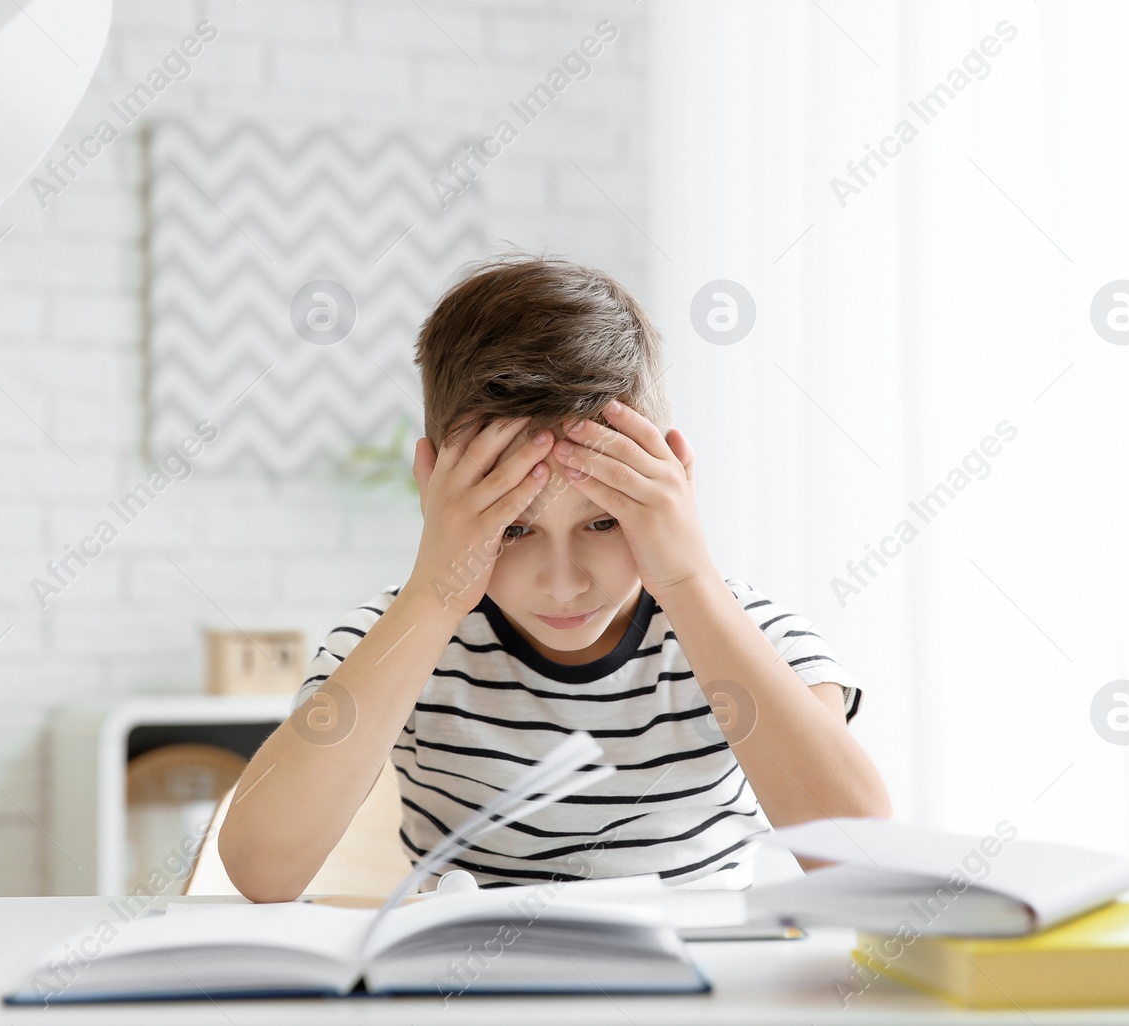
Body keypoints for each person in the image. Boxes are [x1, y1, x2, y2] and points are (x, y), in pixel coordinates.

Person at [220, 255, 890, 902]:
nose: (564, 584)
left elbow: (863, 862)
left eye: (603, 524)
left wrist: (687, 581)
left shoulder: (752, 634)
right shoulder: (388, 640)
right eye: (513, 529)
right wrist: (434, 595)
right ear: (434, 491)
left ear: (675, 480)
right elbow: (261, 869)